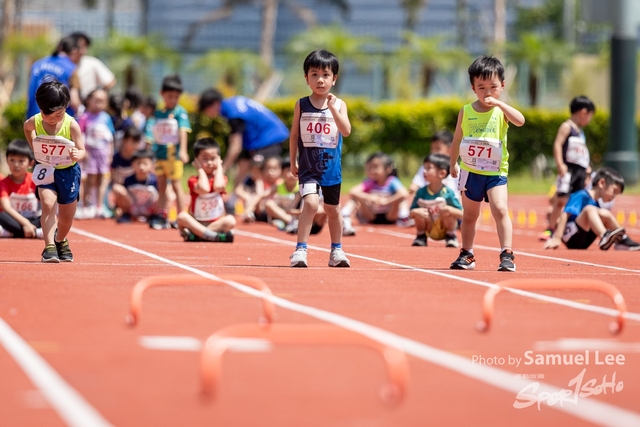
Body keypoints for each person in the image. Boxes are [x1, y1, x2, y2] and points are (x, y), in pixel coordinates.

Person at [449, 55, 525, 272]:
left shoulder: (502, 111)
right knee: (470, 215)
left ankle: (507, 254)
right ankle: (467, 254)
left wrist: (500, 104)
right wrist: (452, 163)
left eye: (493, 87)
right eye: (481, 87)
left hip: (496, 172)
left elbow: (521, 121)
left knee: (500, 208)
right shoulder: (466, 111)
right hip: (470, 171)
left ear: (502, 85)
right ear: (473, 88)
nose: (487, 92)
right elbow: (457, 139)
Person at [289, 49, 351, 268]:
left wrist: (332, 109)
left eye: (325, 75)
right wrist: (292, 161)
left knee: (333, 210)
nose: (320, 80)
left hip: (331, 169)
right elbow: (294, 135)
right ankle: (300, 250)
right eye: (314, 75)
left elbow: (346, 131)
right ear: (306, 78)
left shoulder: (340, 104)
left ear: (334, 79)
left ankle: (336, 251)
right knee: (311, 204)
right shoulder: (301, 104)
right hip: (308, 168)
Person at [23, 81, 86, 262]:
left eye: (58, 114)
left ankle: (60, 239)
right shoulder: (35, 121)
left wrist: (77, 154)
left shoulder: (71, 125)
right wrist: (35, 147)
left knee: (66, 217)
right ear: (40, 109)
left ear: (66, 107)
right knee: (48, 203)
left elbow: (82, 150)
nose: (52, 119)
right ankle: (49, 246)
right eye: (47, 115)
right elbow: (27, 128)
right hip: (46, 168)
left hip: (68, 172)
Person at [197, 87, 289, 186]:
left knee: (259, 167)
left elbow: (236, 146)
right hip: (259, 140)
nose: (207, 114)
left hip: (271, 137)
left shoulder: (233, 113)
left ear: (214, 103)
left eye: (206, 110)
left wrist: (223, 169)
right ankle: (236, 193)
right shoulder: (232, 104)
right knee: (243, 164)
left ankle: (277, 192)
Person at [539, 96, 596, 241]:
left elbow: (583, 153)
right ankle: (551, 228)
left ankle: (571, 228)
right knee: (561, 200)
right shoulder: (567, 127)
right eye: (590, 116)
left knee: (577, 199)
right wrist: (560, 164)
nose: (589, 120)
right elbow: (558, 144)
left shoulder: (581, 132)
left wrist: (587, 170)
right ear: (583, 112)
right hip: (568, 170)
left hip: (580, 171)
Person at [145, 75, 191, 228]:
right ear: (162, 94)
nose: (173, 100)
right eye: (169, 96)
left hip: (173, 156)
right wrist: (149, 149)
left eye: (176, 97)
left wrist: (183, 150)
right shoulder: (159, 114)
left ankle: (182, 215)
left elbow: (183, 131)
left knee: (177, 185)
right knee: (162, 186)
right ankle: (161, 214)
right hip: (160, 155)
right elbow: (153, 133)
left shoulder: (180, 112)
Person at [177, 138, 235, 242]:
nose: (209, 162)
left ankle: (198, 235)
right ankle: (215, 236)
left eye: (213, 158)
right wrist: (200, 169)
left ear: (219, 159)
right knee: (182, 217)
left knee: (230, 221)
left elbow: (218, 187)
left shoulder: (221, 179)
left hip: (216, 224)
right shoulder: (193, 180)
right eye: (205, 159)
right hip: (196, 223)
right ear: (196, 160)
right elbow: (204, 189)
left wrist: (219, 167)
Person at [340, 152, 411, 236]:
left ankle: (404, 218)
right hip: (372, 215)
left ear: (388, 169)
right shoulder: (370, 182)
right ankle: (344, 216)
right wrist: (370, 197)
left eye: (376, 167)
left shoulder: (392, 181)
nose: (372, 171)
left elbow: (404, 193)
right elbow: (352, 191)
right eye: (371, 168)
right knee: (355, 198)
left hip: (391, 215)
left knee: (401, 199)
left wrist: (387, 201)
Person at [410, 153, 463, 247]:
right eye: (424, 167)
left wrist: (450, 210)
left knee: (449, 213)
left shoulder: (448, 193)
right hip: (428, 226)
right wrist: (416, 211)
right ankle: (421, 236)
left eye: (428, 168)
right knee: (419, 213)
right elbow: (410, 214)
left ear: (442, 173)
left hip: (444, 226)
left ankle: (451, 236)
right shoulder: (421, 192)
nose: (424, 171)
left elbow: (462, 214)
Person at [78, 88, 115, 219]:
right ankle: (85, 205)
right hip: (90, 153)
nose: (100, 104)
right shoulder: (84, 117)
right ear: (89, 100)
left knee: (103, 179)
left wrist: (110, 154)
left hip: (103, 154)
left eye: (103, 101)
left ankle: (99, 206)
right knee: (90, 179)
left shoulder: (106, 118)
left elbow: (110, 138)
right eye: (97, 100)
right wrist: (83, 151)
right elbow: (79, 135)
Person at [26, 36, 81, 119]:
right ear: (74, 51)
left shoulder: (37, 64)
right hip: (56, 121)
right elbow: (74, 100)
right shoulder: (71, 69)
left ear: (59, 48)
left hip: (34, 116)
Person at [0, 139, 43, 239]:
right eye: (12, 160)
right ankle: (35, 232)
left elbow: (45, 203)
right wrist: (26, 224)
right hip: (12, 220)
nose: (16, 165)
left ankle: (11, 233)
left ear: (30, 163)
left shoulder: (35, 180)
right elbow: (6, 208)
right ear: (7, 161)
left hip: (32, 219)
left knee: (50, 217)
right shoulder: (3, 183)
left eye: (21, 161)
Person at [112, 149, 160, 224]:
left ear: (152, 165)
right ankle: (126, 214)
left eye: (145, 164)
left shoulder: (155, 180)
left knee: (168, 192)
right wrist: (117, 207)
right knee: (117, 188)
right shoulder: (128, 180)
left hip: (150, 207)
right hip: (133, 208)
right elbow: (122, 194)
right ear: (132, 165)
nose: (141, 167)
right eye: (138, 163)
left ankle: (157, 216)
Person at [408, 130, 459, 200]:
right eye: (432, 148)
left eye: (438, 149)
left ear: (450, 150)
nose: (433, 152)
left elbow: (461, 195)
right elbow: (413, 187)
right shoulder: (425, 168)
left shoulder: (457, 170)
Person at [69, 32, 116, 101]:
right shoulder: (63, 64)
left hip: (86, 104)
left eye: (85, 46)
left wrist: (97, 96)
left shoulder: (92, 63)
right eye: (80, 46)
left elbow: (110, 81)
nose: (82, 50)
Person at [234, 155, 281, 224]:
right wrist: (248, 197)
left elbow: (260, 195)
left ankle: (248, 212)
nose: (256, 173)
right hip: (259, 208)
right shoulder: (254, 180)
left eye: (259, 170)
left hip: (270, 206)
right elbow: (238, 190)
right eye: (253, 170)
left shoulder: (277, 183)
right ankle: (249, 214)